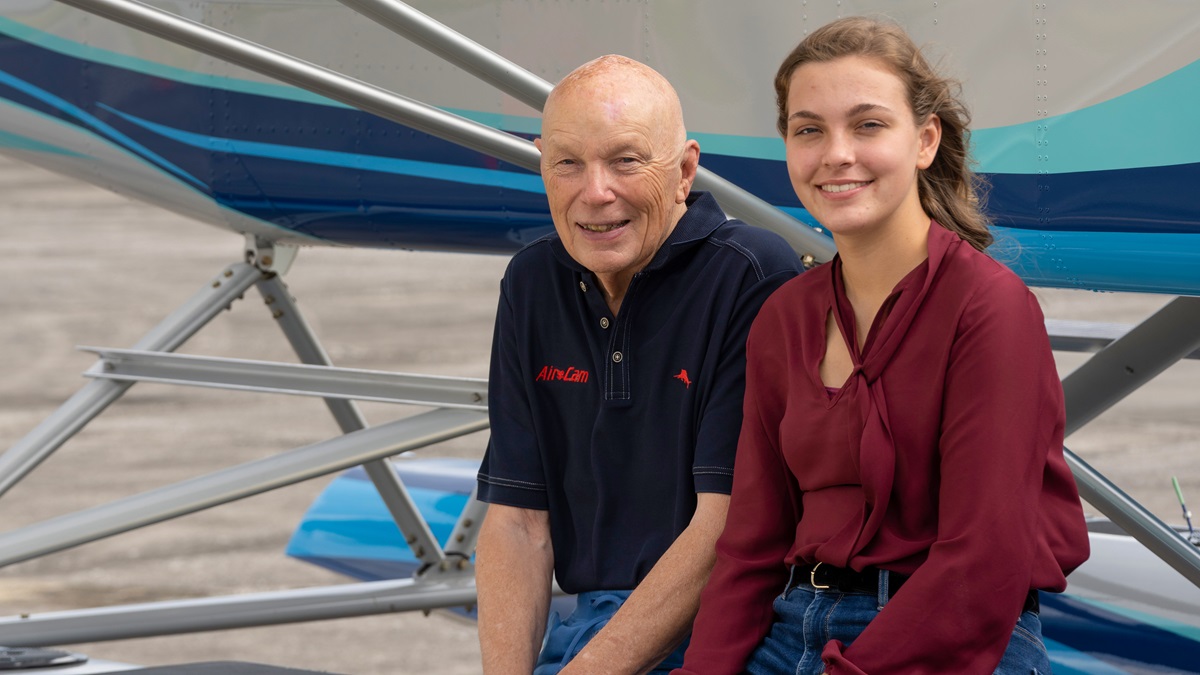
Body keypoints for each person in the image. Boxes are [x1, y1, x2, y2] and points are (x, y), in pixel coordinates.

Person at [676, 17, 1090, 675]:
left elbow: (982, 564)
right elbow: (751, 549)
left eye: (868, 125)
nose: (836, 153)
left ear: (925, 140)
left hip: (956, 637)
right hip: (793, 627)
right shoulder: (783, 317)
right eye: (809, 129)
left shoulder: (989, 308)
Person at [474, 55, 804, 674]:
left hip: (722, 631)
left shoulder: (752, 274)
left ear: (684, 170)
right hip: (590, 629)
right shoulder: (532, 280)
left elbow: (727, 526)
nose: (595, 193)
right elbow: (518, 521)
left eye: (626, 160)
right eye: (567, 163)